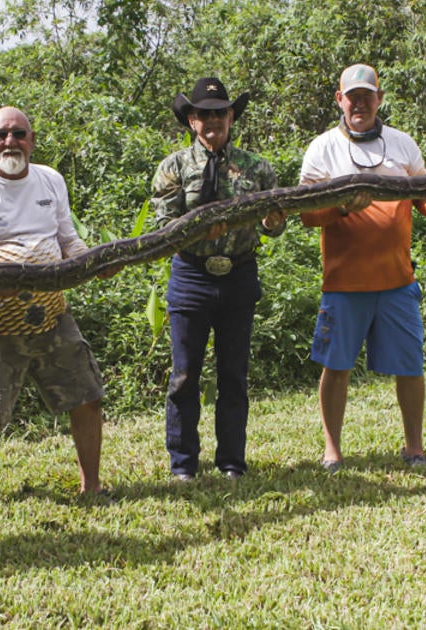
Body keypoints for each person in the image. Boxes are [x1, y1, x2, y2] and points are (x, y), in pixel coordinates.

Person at [0, 106, 116, 509]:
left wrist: (91, 262)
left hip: (51, 313)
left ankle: (91, 485)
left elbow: (67, 239)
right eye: (1, 134)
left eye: (19, 133)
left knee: (87, 396)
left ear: (32, 140)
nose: (10, 142)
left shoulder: (50, 179)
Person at [298, 64, 426, 474]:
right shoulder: (322, 148)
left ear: (379, 99)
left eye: (368, 95)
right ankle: (332, 449)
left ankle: (414, 446)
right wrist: (341, 205)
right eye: (353, 96)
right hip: (343, 285)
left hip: (398, 281)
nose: (360, 103)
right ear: (340, 100)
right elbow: (306, 215)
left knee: (410, 365)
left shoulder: (403, 145)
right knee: (338, 366)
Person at [149, 77, 286, 482]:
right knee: (184, 376)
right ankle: (183, 465)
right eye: (204, 113)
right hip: (191, 275)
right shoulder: (172, 167)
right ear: (192, 120)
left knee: (233, 375)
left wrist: (272, 221)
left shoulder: (258, 167)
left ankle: (231, 462)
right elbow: (162, 225)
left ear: (231, 117)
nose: (213, 120)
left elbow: (273, 227)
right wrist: (194, 231)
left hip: (240, 274)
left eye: (220, 112)